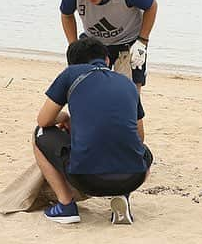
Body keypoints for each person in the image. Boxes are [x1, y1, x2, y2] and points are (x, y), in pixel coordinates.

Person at [33, 36, 153, 225]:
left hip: (86, 179)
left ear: (72, 63)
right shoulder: (128, 84)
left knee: (39, 133)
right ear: (107, 60)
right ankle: (122, 196)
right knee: (142, 150)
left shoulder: (71, 74)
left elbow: (44, 119)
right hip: (133, 177)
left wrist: (65, 118)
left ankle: (66, 205)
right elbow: (140, 137)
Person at [59, 0, 157, 93]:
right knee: (83, 87)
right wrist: (73, 44)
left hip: (128, 42)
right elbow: (66, 14)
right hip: (92, 42)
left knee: (128, 91)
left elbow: (151, 6)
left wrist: (142, 41)